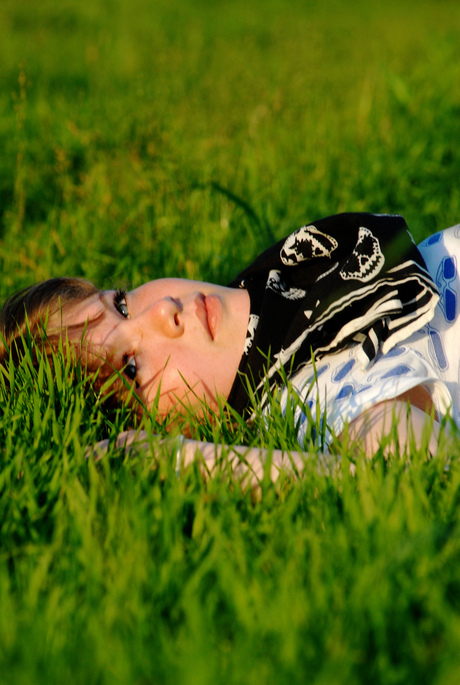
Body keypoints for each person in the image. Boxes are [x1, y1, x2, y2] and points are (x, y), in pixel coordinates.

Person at [1, 212, 455, 484]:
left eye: (120, 304)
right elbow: (409, 468)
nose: (162, 311)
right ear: (173, 430)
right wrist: (184, 459)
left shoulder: (284, 296)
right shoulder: (307, 387)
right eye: (131, 367)